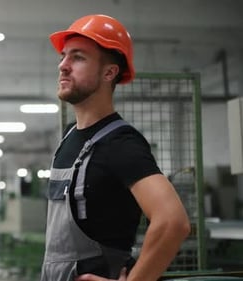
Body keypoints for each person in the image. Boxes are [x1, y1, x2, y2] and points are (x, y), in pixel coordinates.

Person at [40, 14, 191, 281]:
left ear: (109, 72)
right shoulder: (69, 137)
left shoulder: (120, 143)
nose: (63, 66)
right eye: (63, 56)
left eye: (78, 57)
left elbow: (173, 222)